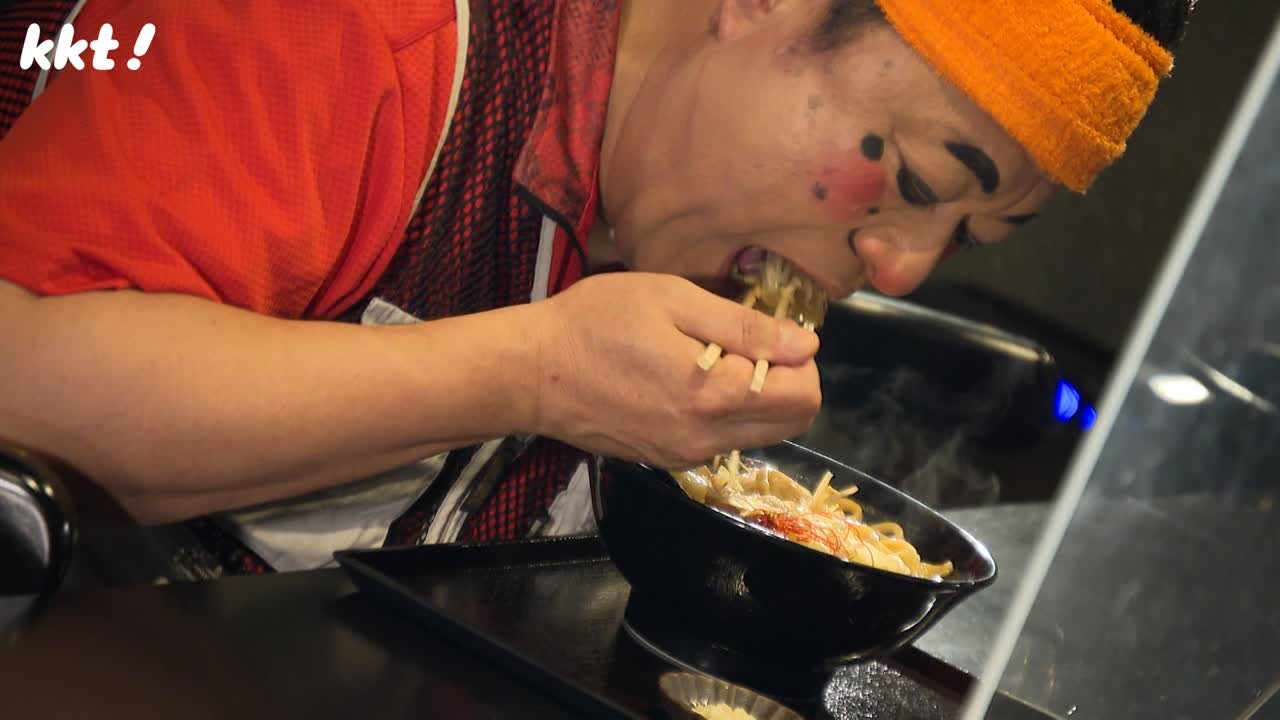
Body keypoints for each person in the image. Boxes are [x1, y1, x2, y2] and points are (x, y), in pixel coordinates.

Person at [0, 0, 1193, 577]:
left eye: (968, 239)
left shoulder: (678, 218)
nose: (901, 268)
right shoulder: (373, 31)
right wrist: (532, 372)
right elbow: (26, 373)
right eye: (918, 180)